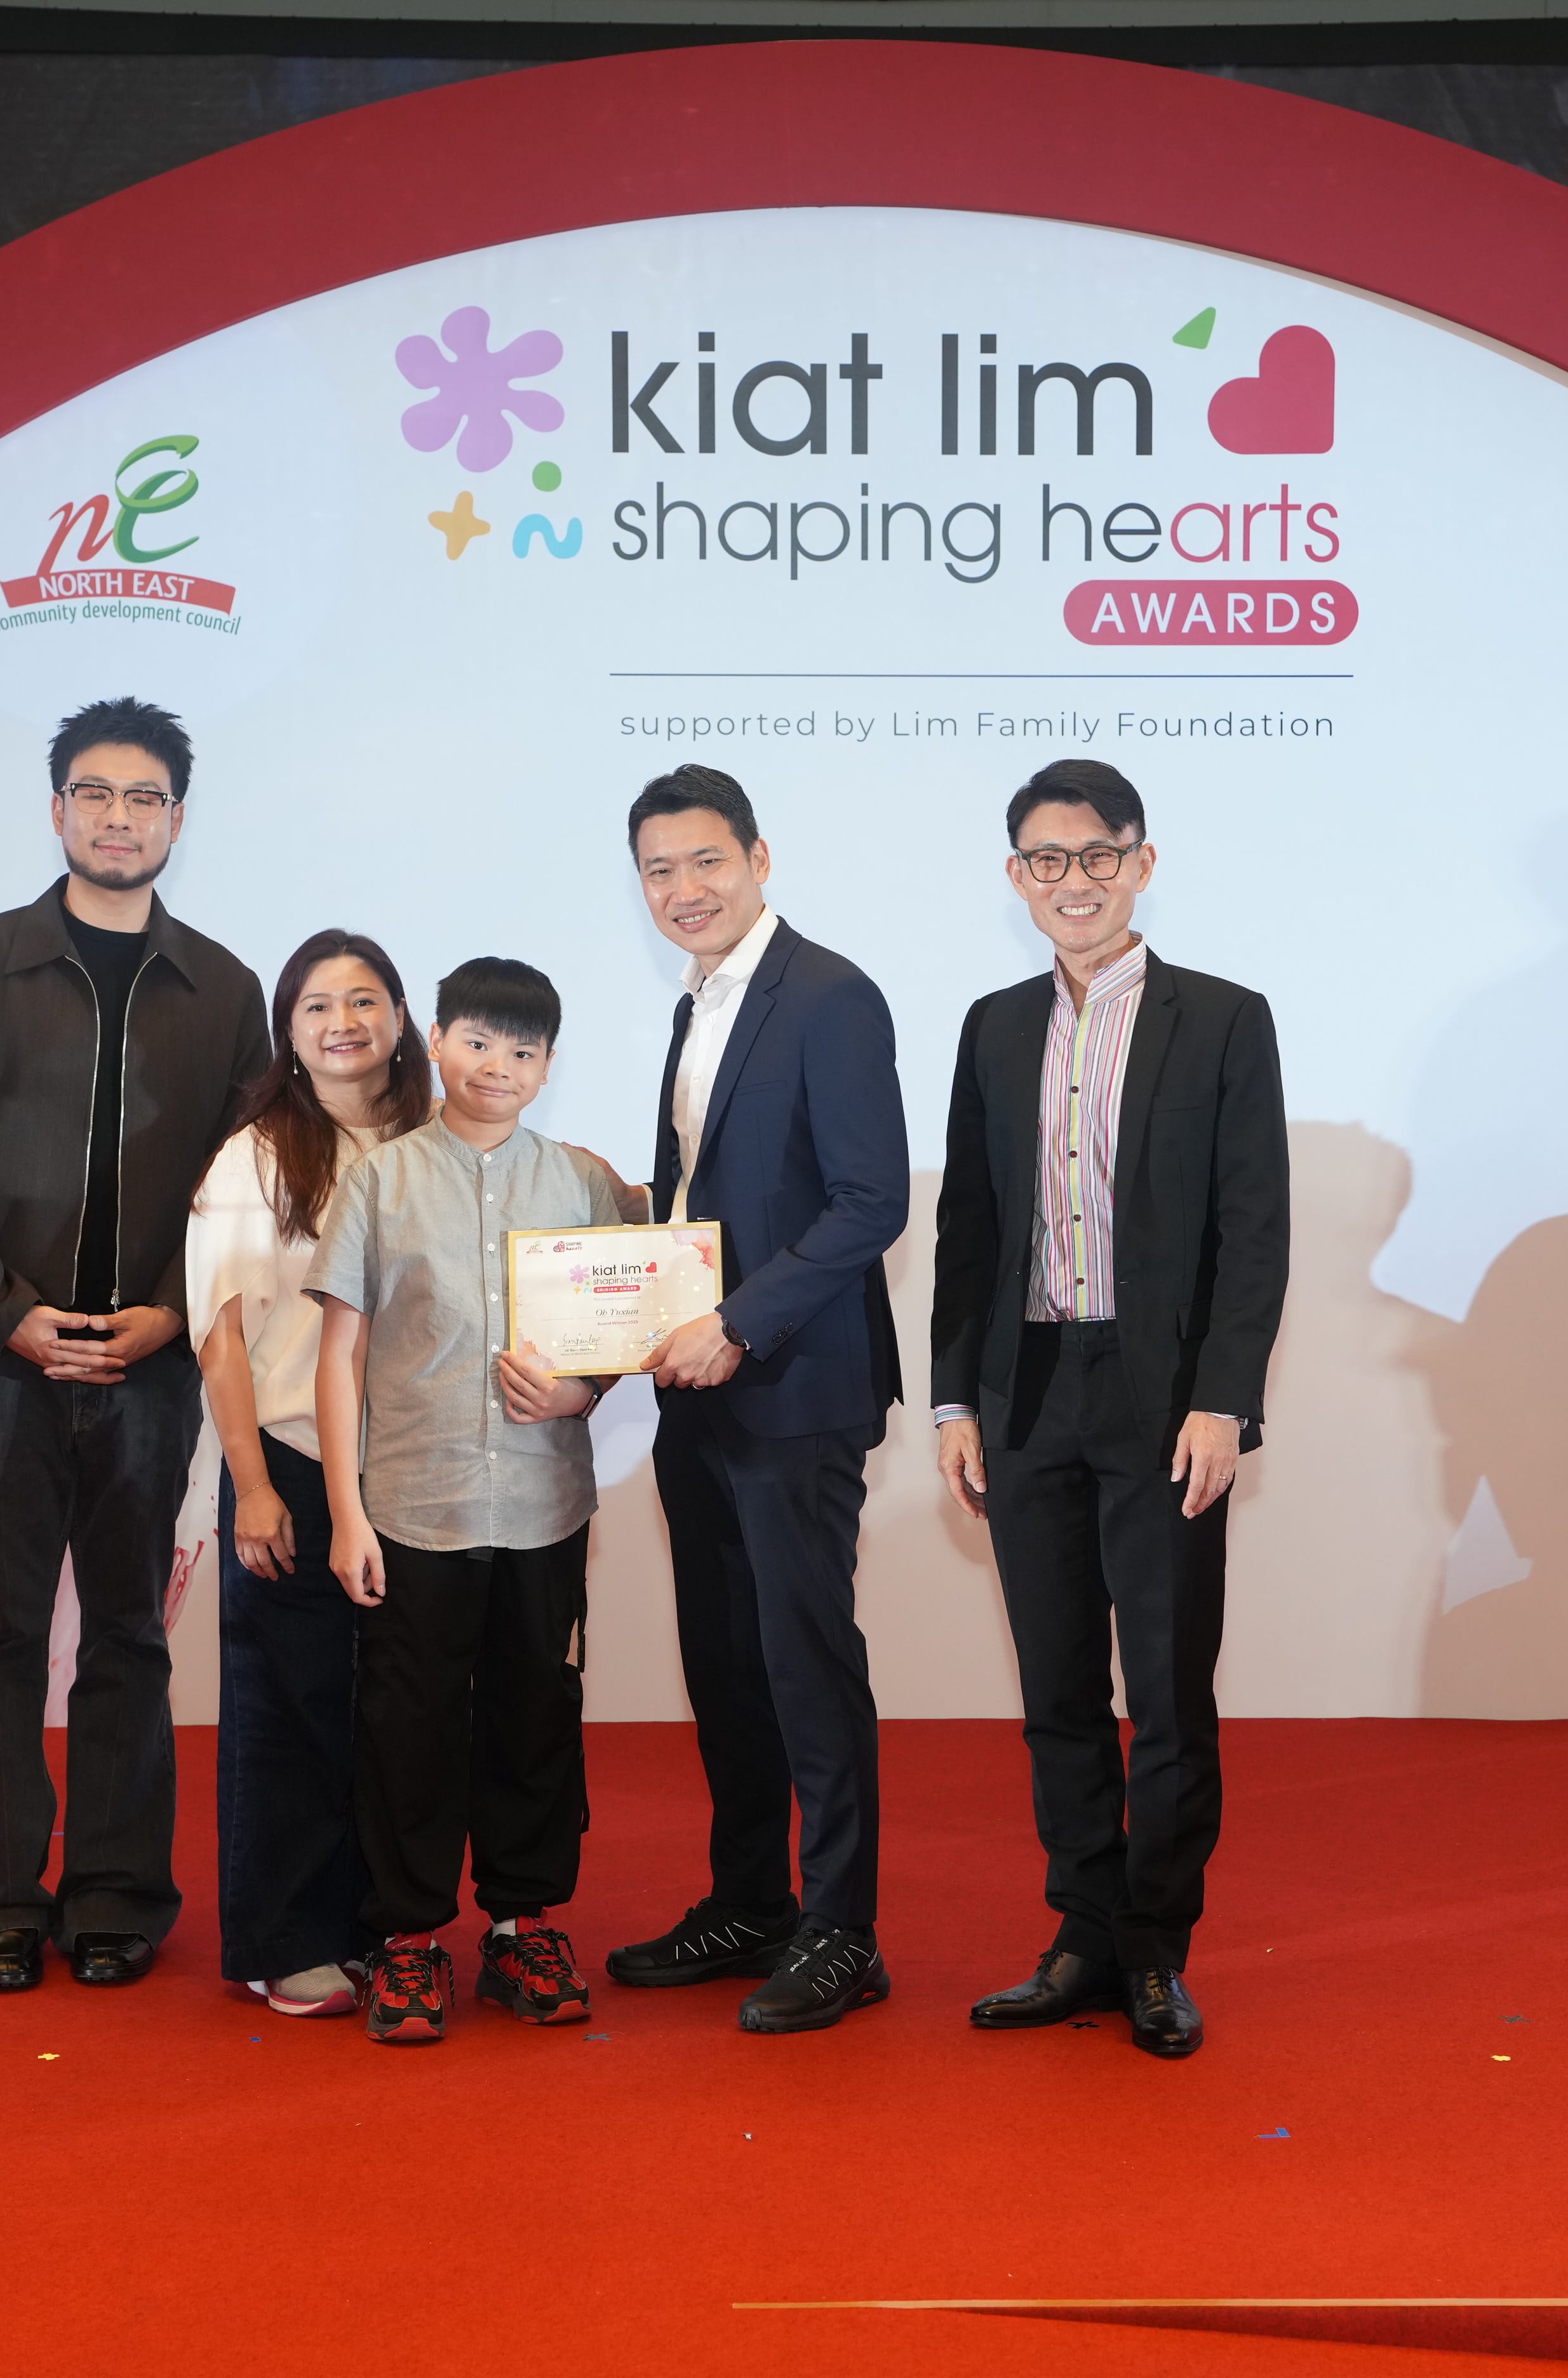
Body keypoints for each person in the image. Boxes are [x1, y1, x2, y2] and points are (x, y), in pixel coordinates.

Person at [0, 696, 271, 1994]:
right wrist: (9, 1312)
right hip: (2, 1360)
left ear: (179, 817)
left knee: (128, 1631)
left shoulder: (225, 989)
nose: (121, 819)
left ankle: (116, 1894)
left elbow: (248, 1183)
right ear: (58, 809)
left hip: (155, 1368)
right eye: (97, 795)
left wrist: (173, 1308)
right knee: (2, 1627)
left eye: (146, 798)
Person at [929, 758, 1289, 2059]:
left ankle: (1154, 1947)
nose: (1070, 882)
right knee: (1059, 1685)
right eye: (1044, 859)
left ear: (1142, 862)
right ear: (1016, 876)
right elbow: (968, 1228)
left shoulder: (1225, 1020)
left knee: (1171, 1691)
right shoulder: (991, 1025)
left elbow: (1255, 1232)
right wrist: (954, 1399)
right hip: (1025, 1391)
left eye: (1095, 856)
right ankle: (1082, 1932)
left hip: (1159, 1404)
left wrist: (1223, 1404)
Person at [604, 765, 909, 2034]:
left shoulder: (829, 997)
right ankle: (751, 1901)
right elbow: (709, 1197)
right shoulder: (701, 1003)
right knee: (725, 1659)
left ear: (760, 857)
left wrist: (736, 1322)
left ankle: (843, 1929)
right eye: (659, 872)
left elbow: (870, 1202)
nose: (684, 890)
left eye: (706, 863)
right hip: (701, 1395)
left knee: (803, 1659)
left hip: (792, 1385)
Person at [309, 957, 627, 2045]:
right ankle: (405, 1941)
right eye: (480, 1042)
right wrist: (347, 1514)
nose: (500, 1066)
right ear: (434, 1041)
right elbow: (341, 1353)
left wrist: (584, 1389)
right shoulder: (382, 1180)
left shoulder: (580, 1183)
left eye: (525, 1051)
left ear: (547, 1069)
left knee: (537, 1713)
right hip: (414, 1504)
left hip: (546, 1503)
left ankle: (523, 1925)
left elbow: (621, 1331)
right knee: (410, 1720)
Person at [185, 930, 434, 2017]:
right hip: (292, 1458)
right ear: (289, 1033)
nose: (344, 1022)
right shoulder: (255, 1156)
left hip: (421, 1476)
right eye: (317, 1005)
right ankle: (287, 1940)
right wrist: (252, 1484)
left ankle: (381, 1926)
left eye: (365, 999)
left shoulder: (440, 1140)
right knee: (291, 1711)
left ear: (399, 1019)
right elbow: (221, 1334)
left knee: (396, 1718)